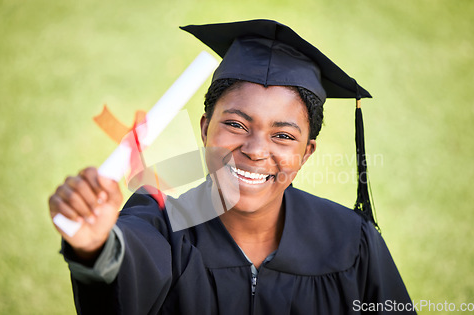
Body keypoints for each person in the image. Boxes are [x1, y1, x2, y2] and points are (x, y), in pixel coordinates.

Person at [49, 19, 415, 314]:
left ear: (307, 153)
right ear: (206, 128)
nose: (255, 151)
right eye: (237, 125)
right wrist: (96, 247)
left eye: (283, 136)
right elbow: (124, 265)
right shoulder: (163, 222)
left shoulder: (350, 242)